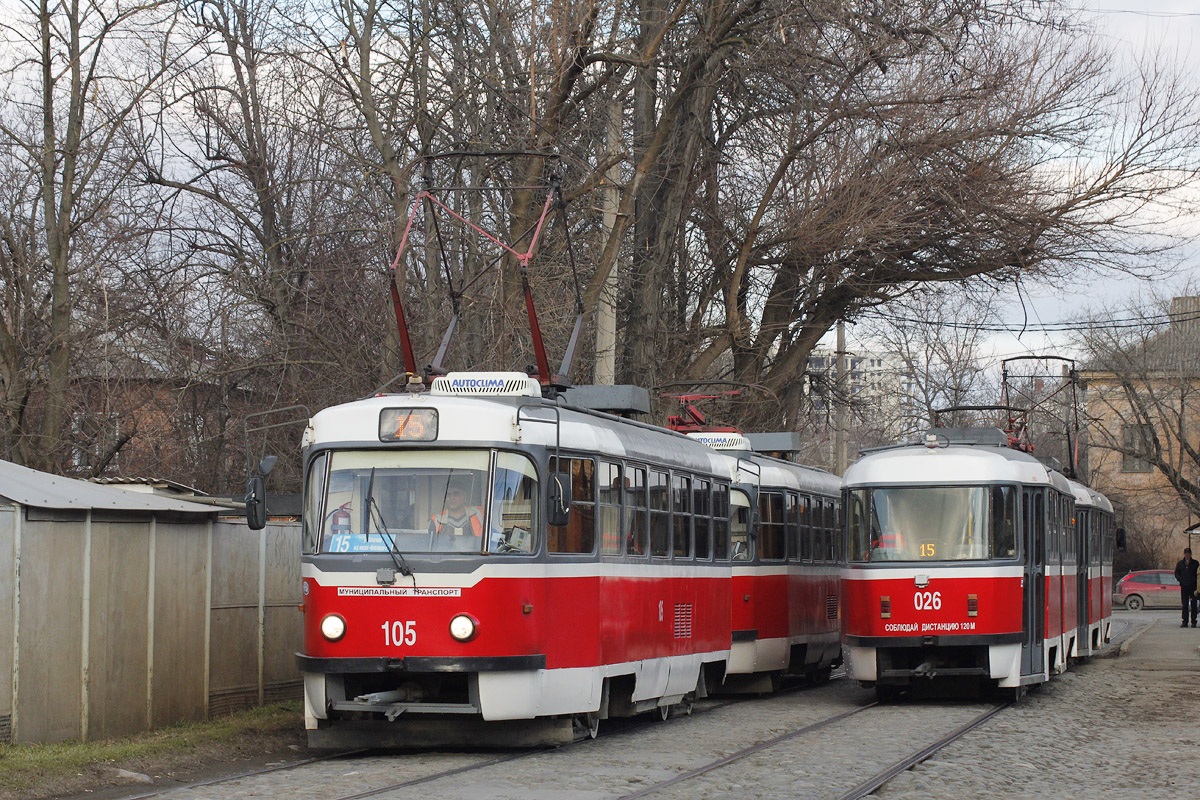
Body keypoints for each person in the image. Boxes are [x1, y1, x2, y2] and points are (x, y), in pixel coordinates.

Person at [1174, 547, 1199, 628]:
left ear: (1191, 554)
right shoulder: (1180, 563)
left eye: (1188, 553)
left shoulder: (1195, 563)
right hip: (1184, 587)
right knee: (1184, 605)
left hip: (1193, 587)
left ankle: (1193, 621)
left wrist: (1196, 584)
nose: (1187, 555)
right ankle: (1185, 621)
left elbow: (1198, 575)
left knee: (1193, 605)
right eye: (1186, 553)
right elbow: (1176, 573)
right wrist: (1181, 580)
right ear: (1184, 554)